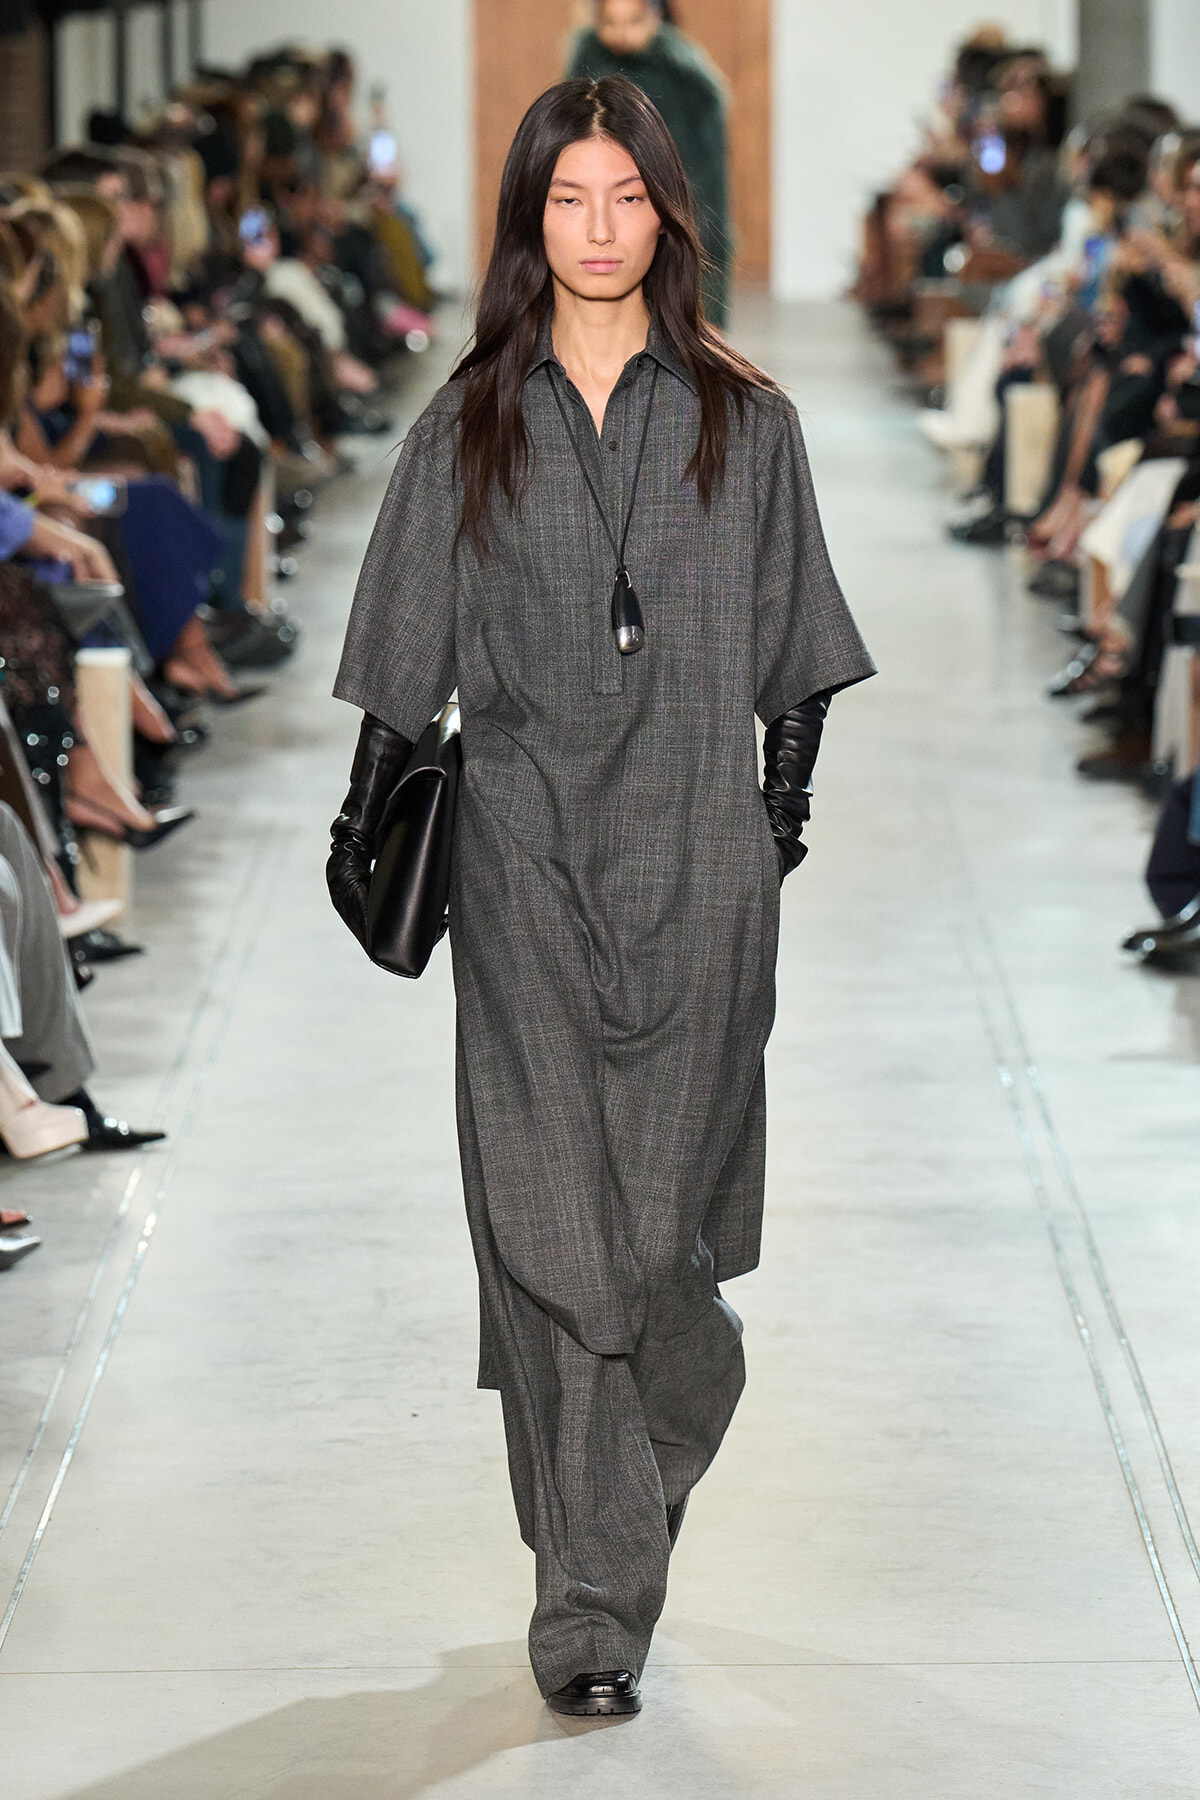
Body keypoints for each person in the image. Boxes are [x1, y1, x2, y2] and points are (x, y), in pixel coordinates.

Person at [328, 75, 873, 1717]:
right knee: (551, 1231)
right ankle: (589, 1613)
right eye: (567, 200)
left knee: (656, 1267)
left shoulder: (745, 419)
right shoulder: (467, 420)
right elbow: (401, 658)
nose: (597, 229)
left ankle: (624, 1483)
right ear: (528, 220)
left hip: (701, 872)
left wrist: (772, 821)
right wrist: (370, 829)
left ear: (667, 214)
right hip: (522, 859)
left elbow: (803, 651)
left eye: (626, 197)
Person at [567, 1, 732, 326]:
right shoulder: (587, 61)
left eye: (633, 20)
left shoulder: (684, 71)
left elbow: (707, 164)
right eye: (610, 22)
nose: (621, 32)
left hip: (681, 192)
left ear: (656, 16)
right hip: (612, 192)